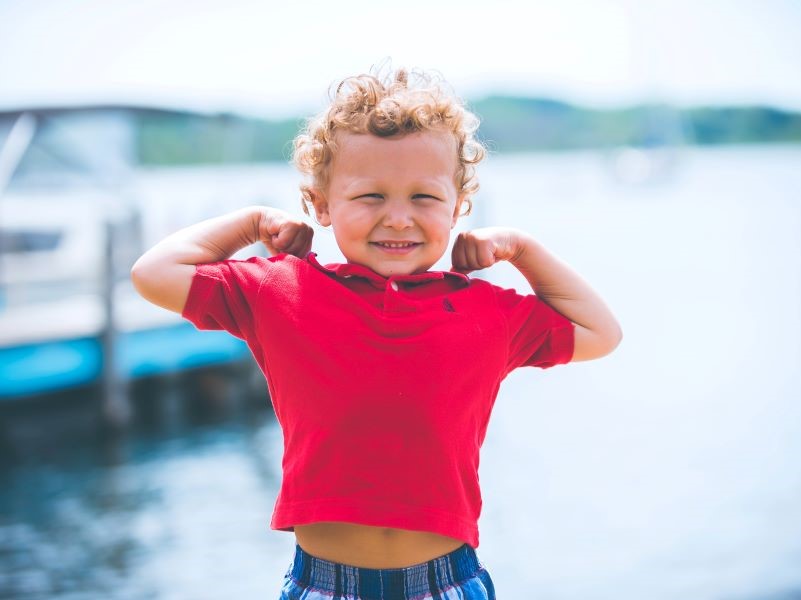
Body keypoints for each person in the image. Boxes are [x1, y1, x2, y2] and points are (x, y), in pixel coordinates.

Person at [131, 65, 622, 600]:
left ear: (458, 207)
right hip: (323, 584)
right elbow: (153, 274)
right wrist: (249, 224)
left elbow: (600, 332)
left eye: (424, 198)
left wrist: (522, 250)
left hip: (447, 582)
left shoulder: (486, 310)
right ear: (320, 205)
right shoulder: (280, 291)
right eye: (370, 197)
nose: (397, 218)